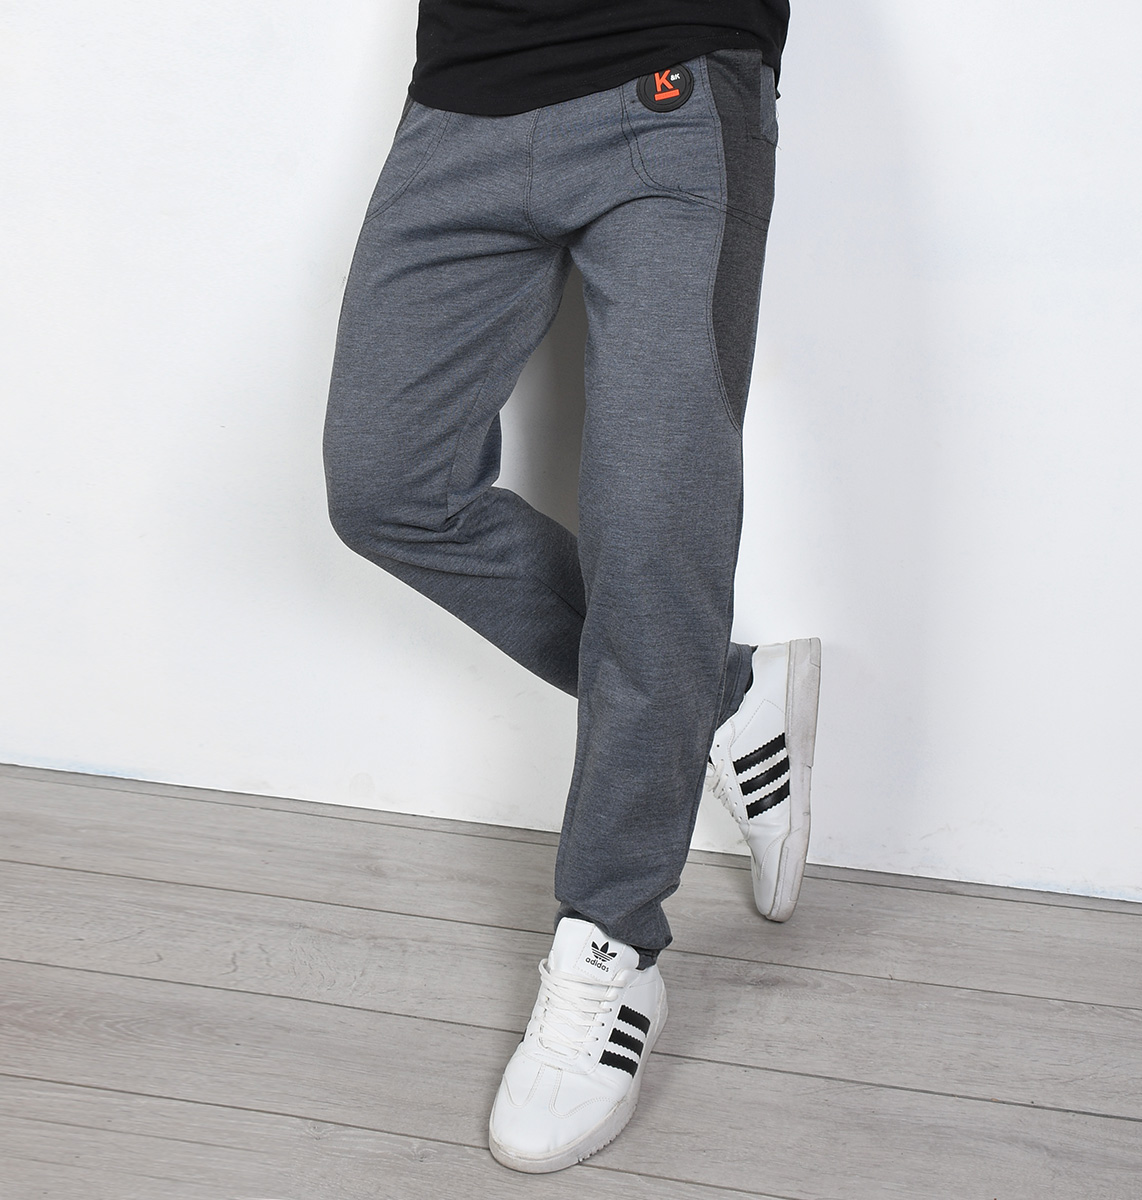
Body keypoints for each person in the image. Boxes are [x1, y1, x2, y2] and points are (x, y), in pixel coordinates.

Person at [323, 0, 819, 1173]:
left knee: (653, 533)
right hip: (463, 96)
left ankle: (611, 944)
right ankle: (720, 694)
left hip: (672, 78)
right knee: (389, 487)